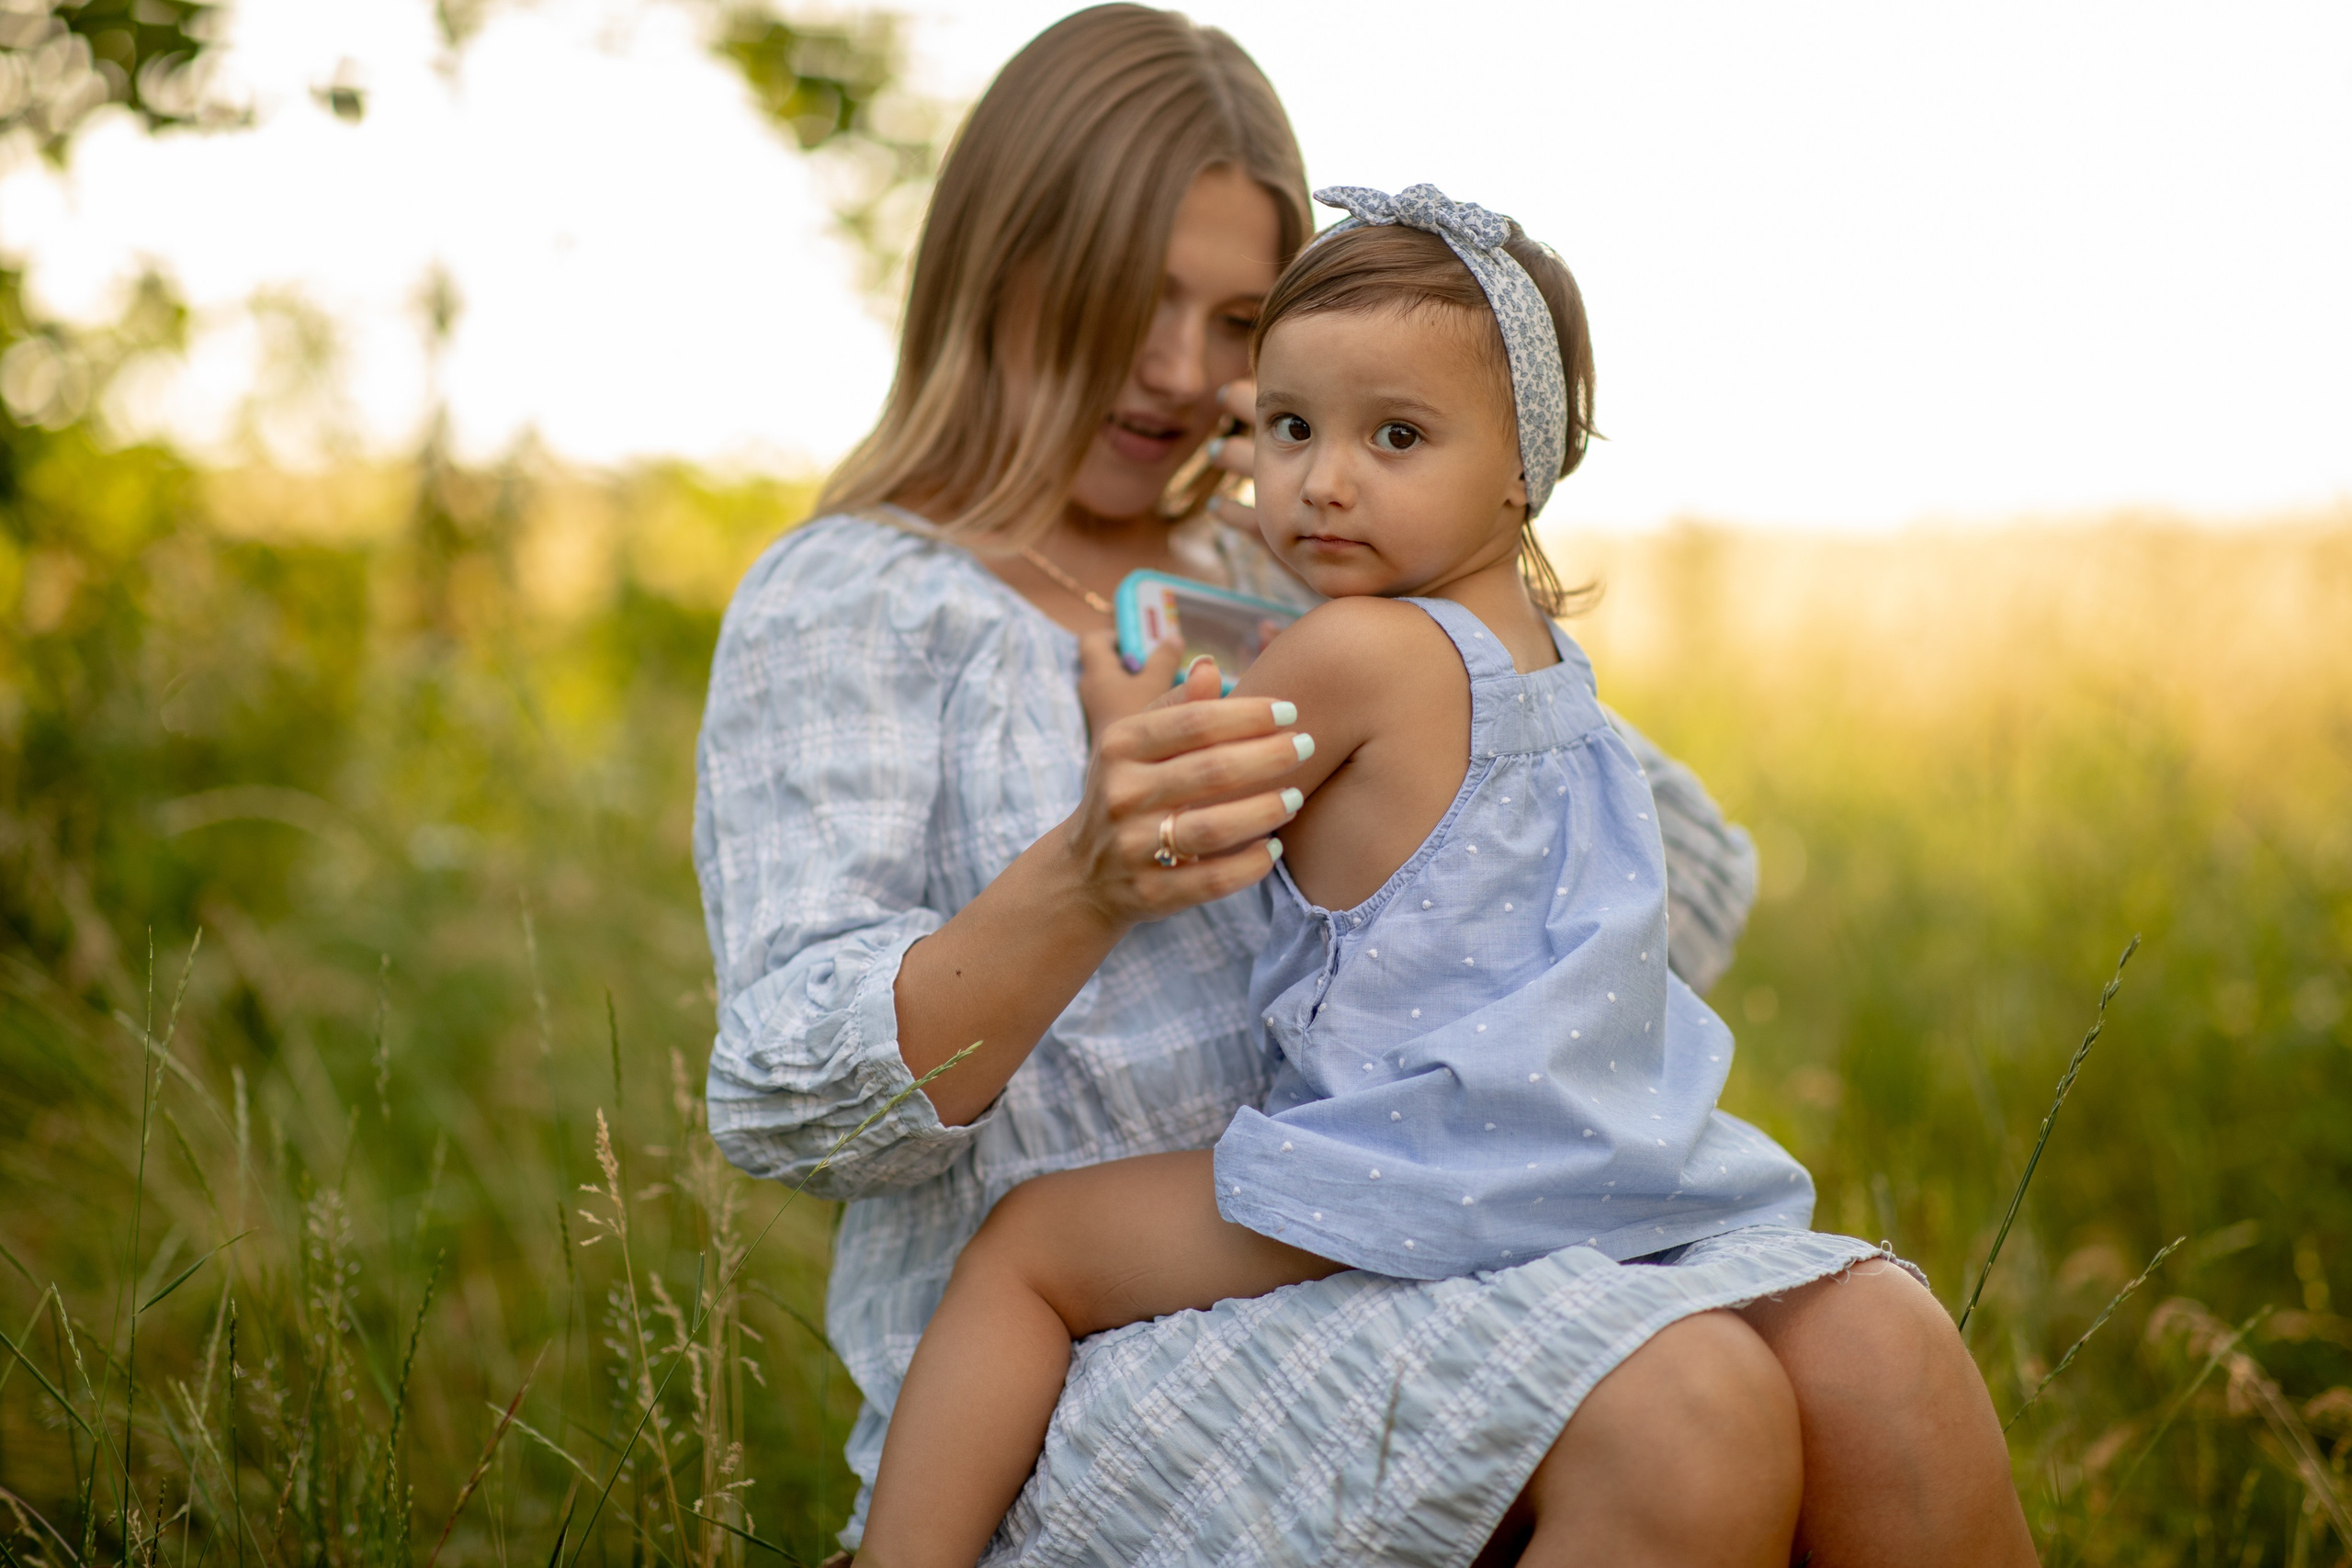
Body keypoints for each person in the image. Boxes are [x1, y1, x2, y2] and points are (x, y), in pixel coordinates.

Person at [695, 8, 2035, 1564]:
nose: (1178, 374)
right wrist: (1087, 875)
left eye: (1235, 325)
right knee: (1689, 1400)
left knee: (1882, 1345)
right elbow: (793, 1103)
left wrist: (1440, 612)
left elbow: (1685, 881)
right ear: (995, 263)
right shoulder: (856, 602)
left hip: (1409, 1244)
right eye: (1128, 300)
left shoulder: (1292, 569)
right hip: (1089, 1372)